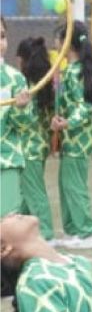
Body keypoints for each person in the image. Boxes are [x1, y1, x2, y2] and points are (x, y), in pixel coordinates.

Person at [50, 21, 92, 250]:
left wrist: (67, 123)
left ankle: (88, 231)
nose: (55, 43)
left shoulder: (76, 72)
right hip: (69, 140)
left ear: (66, 43)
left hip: (78, 140)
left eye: (58, 39)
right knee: (66, 185)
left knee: (75, 185)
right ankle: (73, 230)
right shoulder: (69, 70)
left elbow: (85, 106)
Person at [12, 37, 57, 239]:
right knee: (23, 195)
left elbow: (26, 118)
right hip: (38, 146)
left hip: (28, 148)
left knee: (34, 192)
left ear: (22, 59)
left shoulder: (27, 86)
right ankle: (21, 232)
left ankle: (46, 233)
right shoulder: (42, 85)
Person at [1, 17, 28, 216]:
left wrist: (20, 109)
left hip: (7, 159)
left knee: (8, 226)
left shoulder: (15, 78)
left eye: (2, 36)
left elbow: (22, 125)